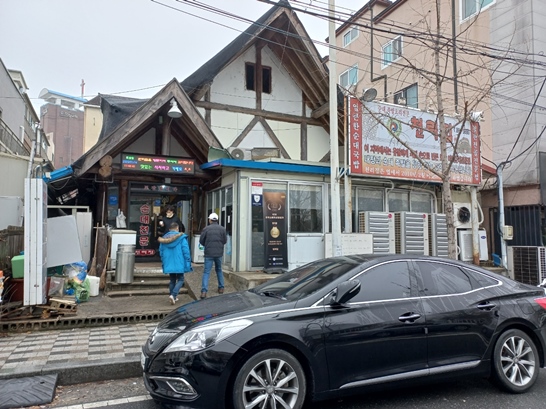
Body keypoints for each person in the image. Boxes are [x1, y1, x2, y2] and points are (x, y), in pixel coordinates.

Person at [158, 222, 192, 305]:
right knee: (181, 279)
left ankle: (173, 296)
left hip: (169, 262)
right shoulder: (182, 238)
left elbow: (161, 251)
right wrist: (188, 261)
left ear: (169, 229)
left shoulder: (164, 239)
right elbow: (186, 251)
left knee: (172, 280)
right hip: (179, 262)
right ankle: (173, 295)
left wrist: (164, 260)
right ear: (177, 228)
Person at [199, 212, 227, 299]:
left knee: (206, 272)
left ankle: (204, 291)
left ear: (210, 220)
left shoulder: (206, 229)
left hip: (208, 253)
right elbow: (224, 240)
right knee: (219, 270)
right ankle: (221, 288)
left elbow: (201, 240)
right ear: (217, 220)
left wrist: (207, 245)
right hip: (219, 253)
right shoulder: (222, 229)